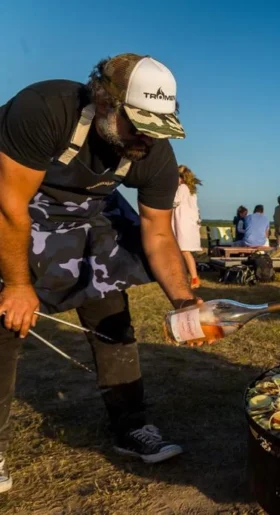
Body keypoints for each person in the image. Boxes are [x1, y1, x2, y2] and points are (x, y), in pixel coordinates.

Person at [0, 53, 198, 488]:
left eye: (156, 129)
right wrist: (16, 285)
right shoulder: (45, 109)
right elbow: (10, 206)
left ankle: (131, 427)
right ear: (106, 102)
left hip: (86, 214)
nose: (146, 139)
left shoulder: (152, 150)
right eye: (138, 125)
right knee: (7, 322)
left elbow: (158, 234)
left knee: (111, 311)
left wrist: (185, 303)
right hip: (13, 206)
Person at [172, 165, 203, 289]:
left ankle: (194, 278)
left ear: (182, 178)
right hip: (188, 223)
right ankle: (190, 277)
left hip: (183, 223)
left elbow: (174, 202)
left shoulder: (182, 188)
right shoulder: (191, 190)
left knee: (184, 251)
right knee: (183, 251)